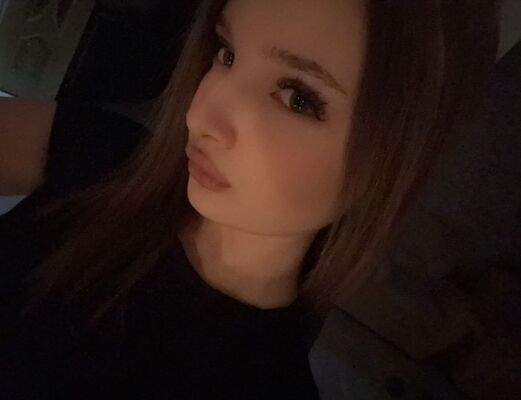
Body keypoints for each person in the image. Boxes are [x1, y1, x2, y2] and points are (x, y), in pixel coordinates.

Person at [0, 0, 500, 398]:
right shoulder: (117, 160)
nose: (201, 116)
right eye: (226, 53)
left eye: (298, 98)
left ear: (393, 159)